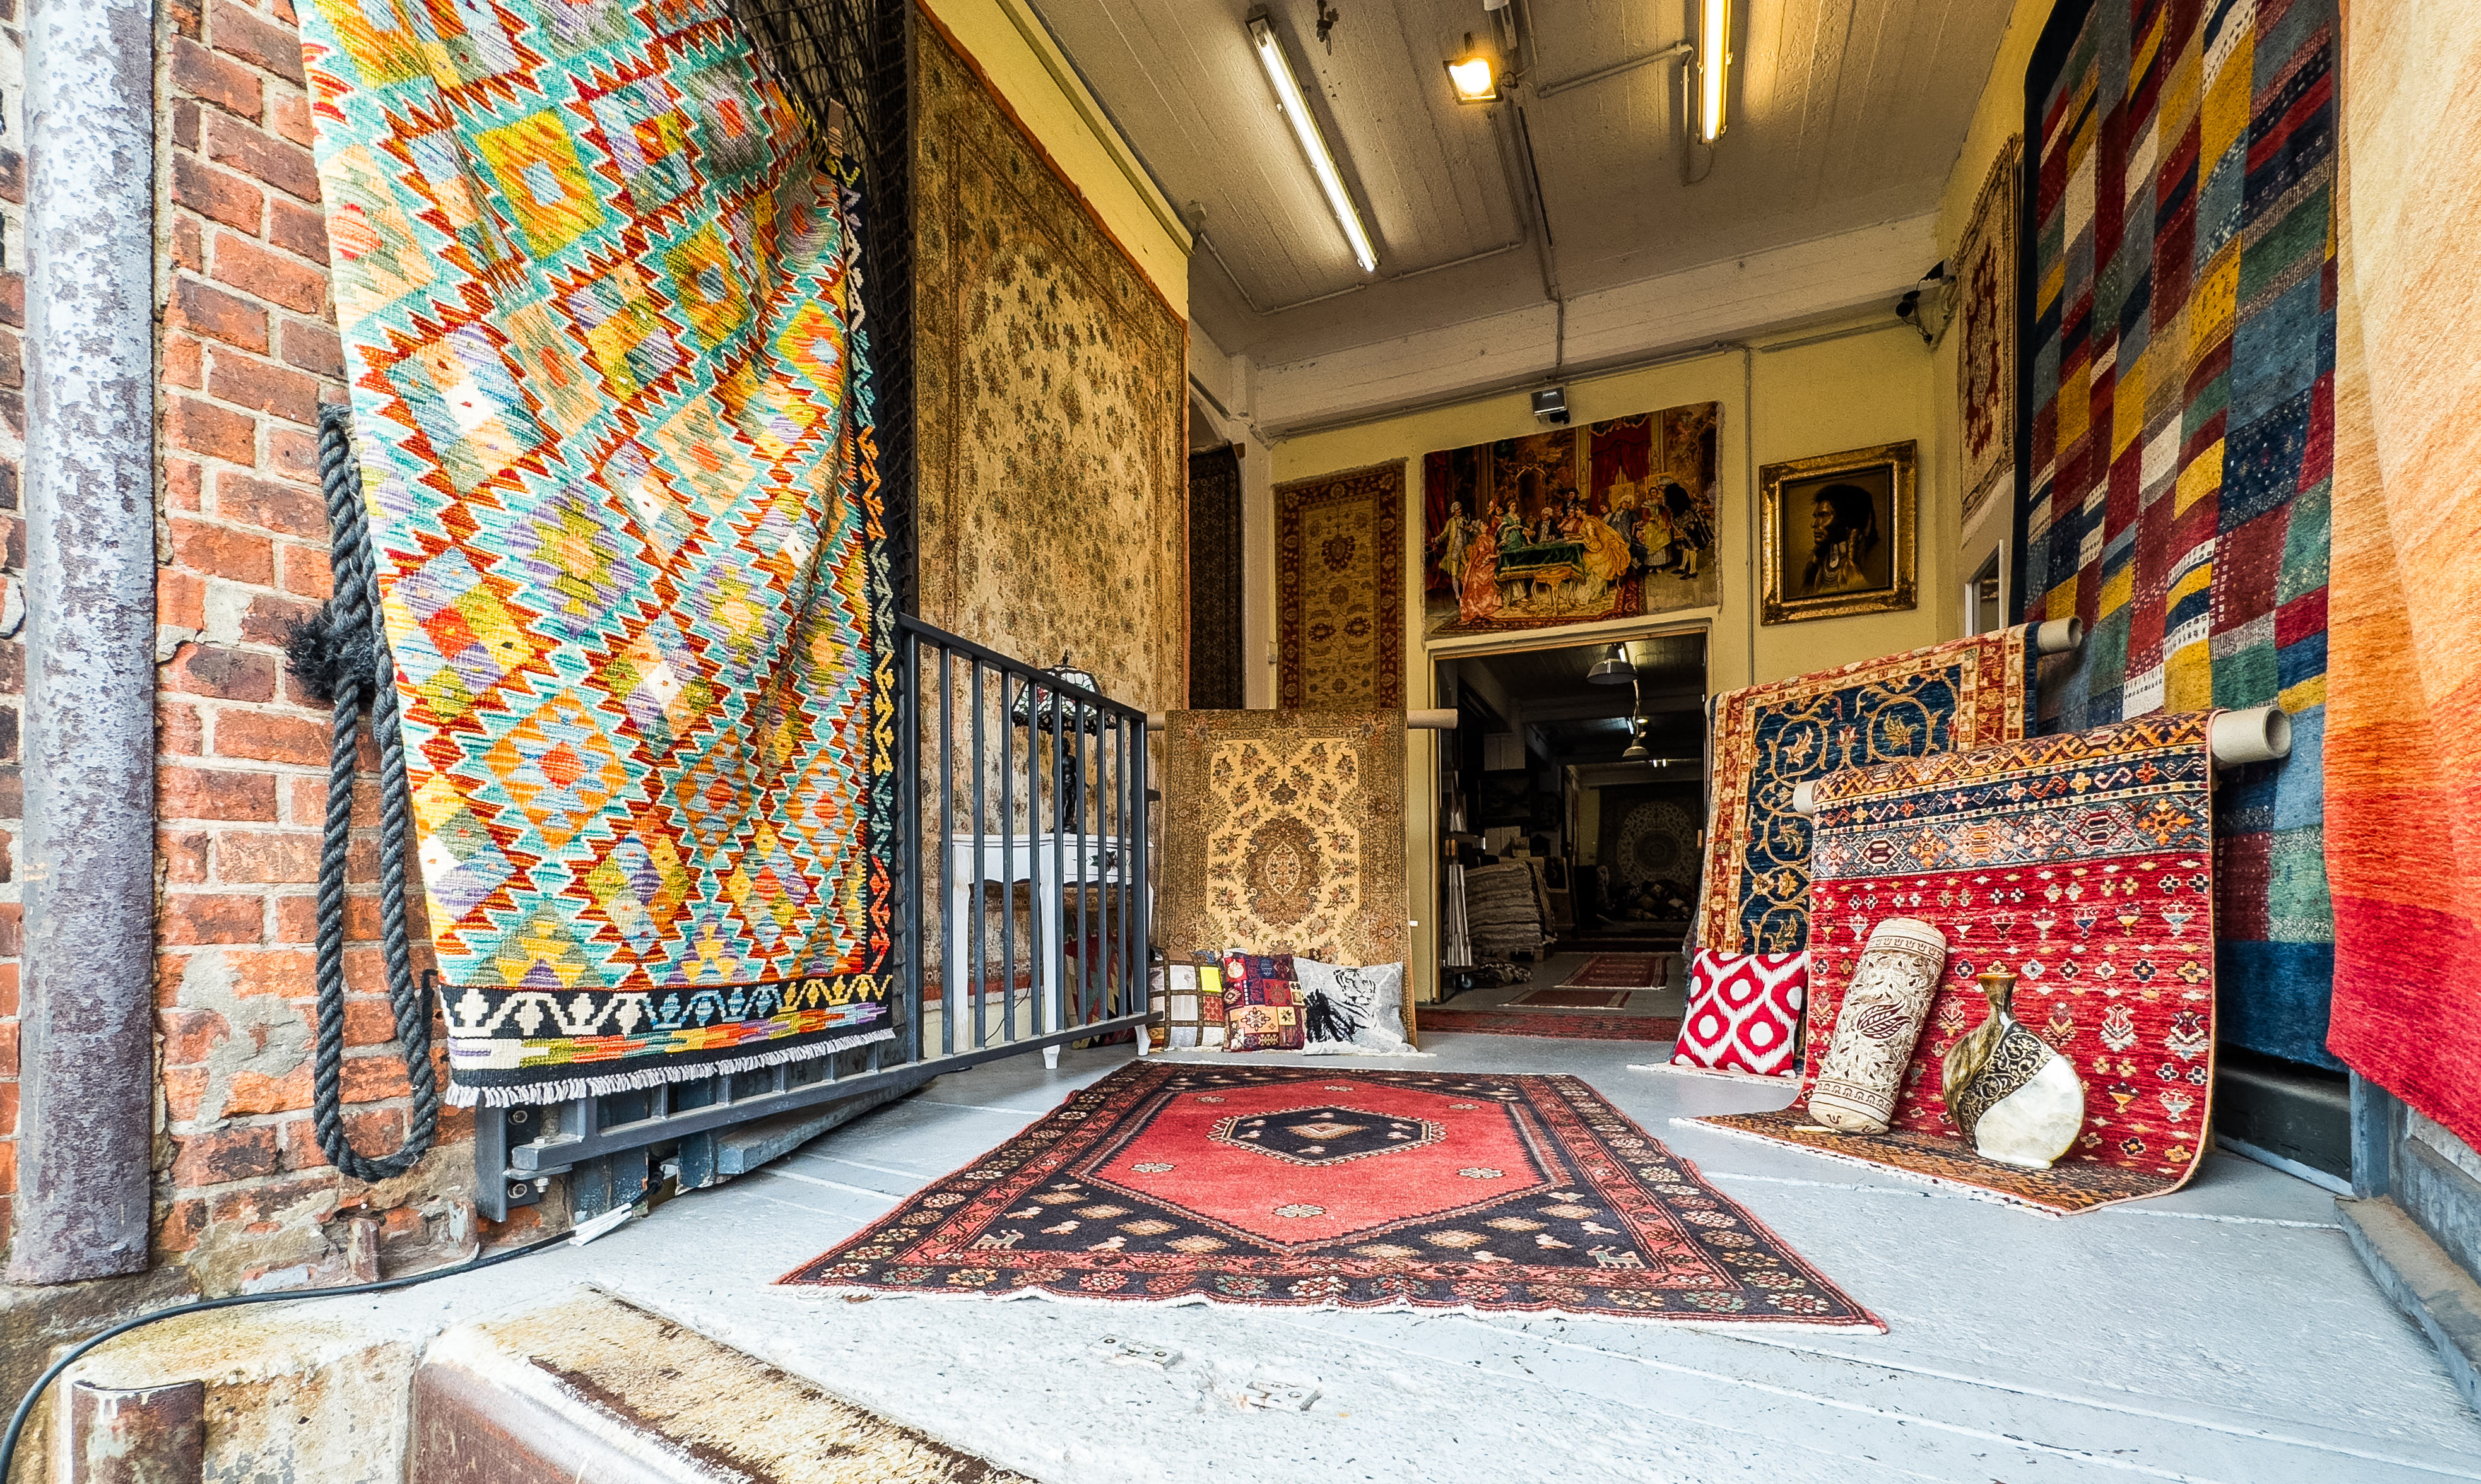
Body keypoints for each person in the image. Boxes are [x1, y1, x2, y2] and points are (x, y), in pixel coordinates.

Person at [1800, 481, 1880, 594]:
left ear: (1846, 519)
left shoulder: (1874, 559)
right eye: (1816, 517)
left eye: (1824, 516)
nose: (1814, 524)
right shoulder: (1816, 564)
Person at [1459, 512, 1504, 624]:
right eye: (1483, 524)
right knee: (1488, 574)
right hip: (1483, 564)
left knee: (1498, 569)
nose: (1485, 525)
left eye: (1485, 523)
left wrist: (1501, 545)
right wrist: (1492, 557)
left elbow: (1494, 550)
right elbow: (1483, 555)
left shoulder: (1491, 537)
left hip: (1492, 562)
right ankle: (1484, 606)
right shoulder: (1480, 539)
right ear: (1479, 528)